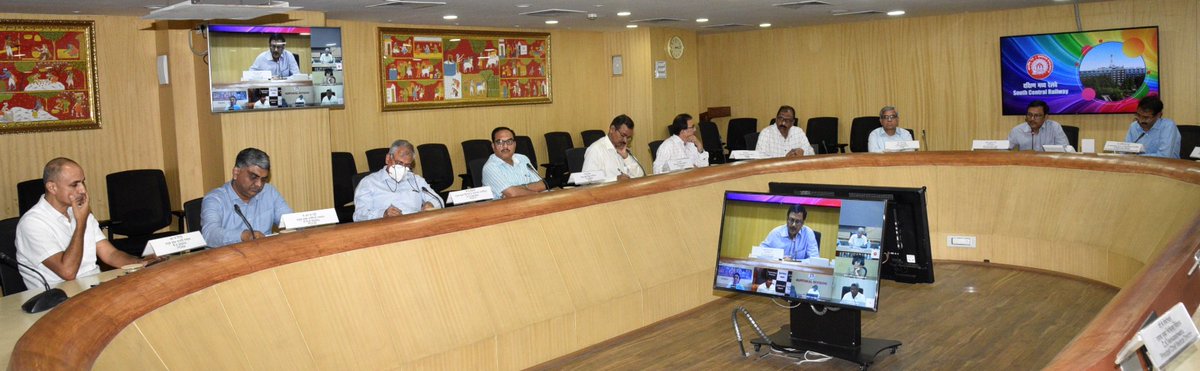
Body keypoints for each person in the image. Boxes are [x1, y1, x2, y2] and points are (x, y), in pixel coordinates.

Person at [15, 158, 159, 287]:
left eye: (83, 182)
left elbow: (110, 254)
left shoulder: (78, 211)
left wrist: (140, 262)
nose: (82, 189)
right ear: (52, 187)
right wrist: (81, 223)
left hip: (92, 287)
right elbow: (68, 272)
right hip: (57, 299)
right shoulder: (33, 223)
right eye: (74, 184)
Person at [201, 148, 293, 248]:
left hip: (265, 256)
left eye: (263, 179)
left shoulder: (269, 192)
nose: (259, 184)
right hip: (229, 259)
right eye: (253, 177)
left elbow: (290, 221)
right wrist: (243, 236)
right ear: (236, 173)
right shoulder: (215, 199)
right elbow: (209, 235)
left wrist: (307, 222)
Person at [353, 140, 443, 221]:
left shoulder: (416, 180)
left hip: (415, 226)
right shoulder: (369, 183)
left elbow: (438, 200)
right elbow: (359, 216)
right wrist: (382, 214)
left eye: (407, 165)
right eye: (399, 163)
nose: (402, 168)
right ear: (388, 159)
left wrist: (431, 204)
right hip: (385, 229)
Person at [481, 126, 546, 199]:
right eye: (499, 142)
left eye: (509, 142)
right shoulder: (490, 167)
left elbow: (542, 184)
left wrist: (519, 189)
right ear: (493, 146)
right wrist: (537, 194)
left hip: (530, 202)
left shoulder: (523, 159)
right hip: (504, 208)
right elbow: (512, 194)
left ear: (515, 144)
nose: (505, 146)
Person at [583, 114, 645, 180]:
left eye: (628, 138)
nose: (625, 141)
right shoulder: (595, 150)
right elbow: (588, 181)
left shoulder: (624, 150)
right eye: (623, 135)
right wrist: (615, 179)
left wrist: (626, 157)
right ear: (612, 129)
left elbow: (641, 176)